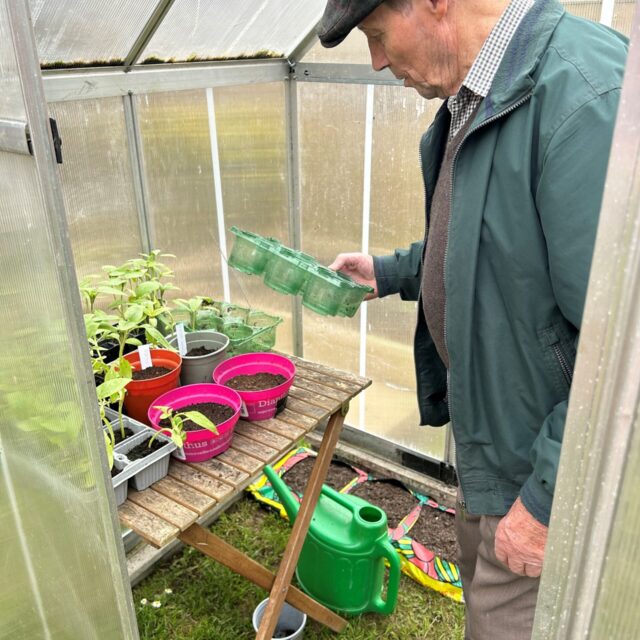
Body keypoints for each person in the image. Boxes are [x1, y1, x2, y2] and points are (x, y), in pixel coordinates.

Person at [318, 0, 628, 637]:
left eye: (377, 35)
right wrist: (393, 271)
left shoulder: (583, 97)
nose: (377, 61)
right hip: (499, 450)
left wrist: (547, 498)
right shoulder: (482, 94)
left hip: (543, 470)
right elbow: (493, 240)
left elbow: (626, 348)